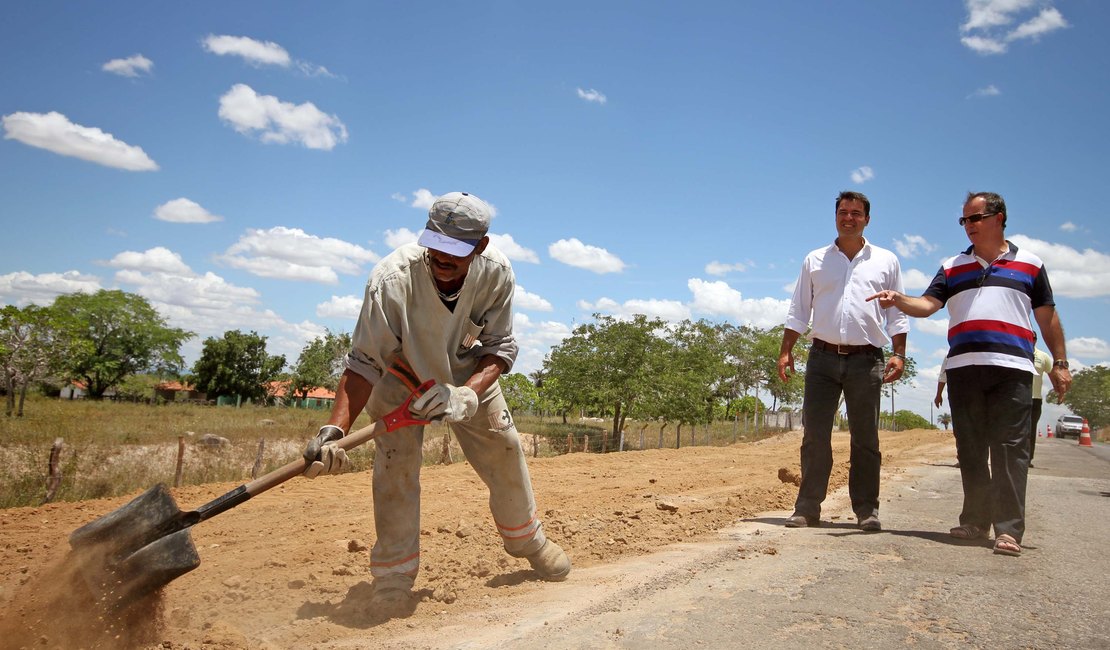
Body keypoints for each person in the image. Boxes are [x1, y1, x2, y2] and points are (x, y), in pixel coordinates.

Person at [302, 191, 570, 613]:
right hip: (400, 379)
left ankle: (528, 540)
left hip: (469, 380)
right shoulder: (390, 280)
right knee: (395, 471)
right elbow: (363, 363)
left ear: (479, 247)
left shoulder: (497, 273)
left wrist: (467, 393)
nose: (442, 257)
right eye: (436, 244)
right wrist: (334, 431)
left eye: (456, 250)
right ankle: (392, 576)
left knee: (506, 451)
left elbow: (498, 347)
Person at [868, 191, 1071, 557]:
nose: (969, 226)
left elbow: (1047, 316)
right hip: (964, 368)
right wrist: (899, 299)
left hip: (1012, 370)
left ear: (998, 218)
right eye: (964, 220)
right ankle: (976, 521)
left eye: (975, 218)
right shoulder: (952, 266)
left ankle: (1008, 530)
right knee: (972, 449)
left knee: (1010, 449)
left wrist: (1060, 362)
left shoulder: (1031, 264)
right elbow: (928, 304)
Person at [778, 191, 909, 532]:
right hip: (821, 358)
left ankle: (867, 511)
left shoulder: (886, 261)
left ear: (867, 218)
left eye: (855, 213)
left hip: (866, 361)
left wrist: (899, 352)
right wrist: (785, 349)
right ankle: (807, 508)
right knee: (815, 436)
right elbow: (798, 311)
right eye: (842, 212)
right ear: (835, 216)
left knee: (865, 438)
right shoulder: (815, 260)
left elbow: (897, 314)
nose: (848, 217)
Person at [1028, 334, 1052, 468]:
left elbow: (1053, 373)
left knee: (1030, 430)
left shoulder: (1043, 356)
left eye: (1032, 338)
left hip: (1035, 399)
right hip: (1016, 398)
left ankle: (1028, 459)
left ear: (1035, 340)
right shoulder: (1016, 353)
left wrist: (1059, 390)